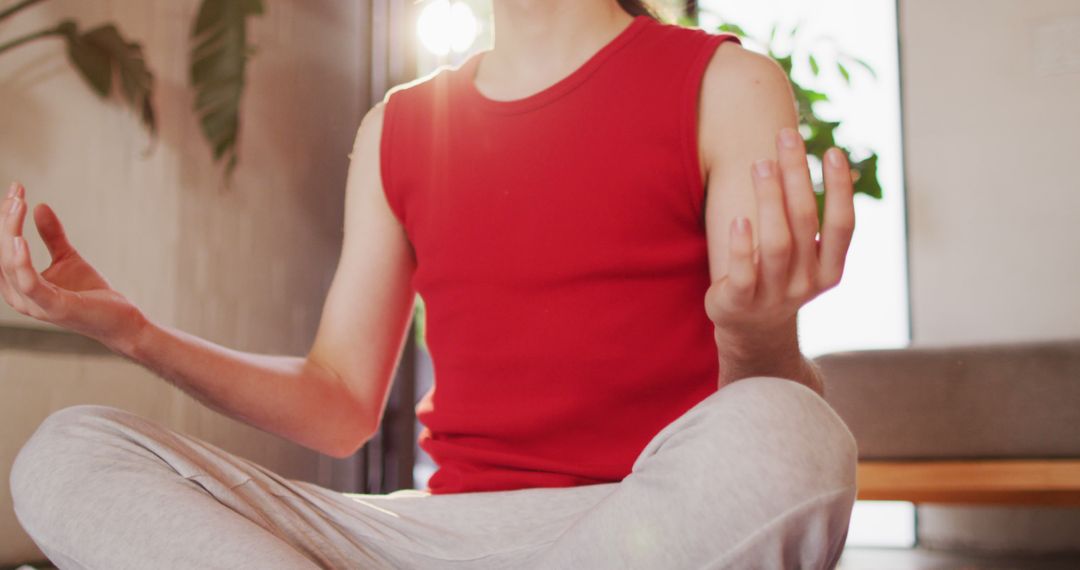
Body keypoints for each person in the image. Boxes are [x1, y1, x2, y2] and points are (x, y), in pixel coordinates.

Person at [4, 0, 859, 567]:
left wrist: (755, 335)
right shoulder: (398, 129)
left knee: (794, 432)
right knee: (68, 453)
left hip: (642, 530)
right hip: (431, 542)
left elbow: (761, 416)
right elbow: (336, 403)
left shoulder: (726, 85)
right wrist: (136, 334)